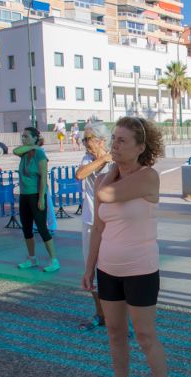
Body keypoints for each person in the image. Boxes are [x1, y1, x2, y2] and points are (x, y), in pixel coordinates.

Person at [81, 116, 177, 377]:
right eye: (114, 140)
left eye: (123, 141)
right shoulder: (106, 178)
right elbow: (98, 226)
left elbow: (106, 196)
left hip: (140, 269)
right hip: (109, 269)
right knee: (115, 332)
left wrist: (108, 166)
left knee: (146, 335)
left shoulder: (148, 177)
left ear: (141, 147)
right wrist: (89, 267)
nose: (115, 145)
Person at [74, 121, 112, 331]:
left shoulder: (115, 161)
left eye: (89, 138)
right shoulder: (87, 158)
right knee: (91, 272)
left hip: (111, 225)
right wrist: (101, 159)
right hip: (90, 222)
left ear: (102, 140)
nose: (85, 143)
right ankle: (100, 314)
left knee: (114, 272)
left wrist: (107, 158)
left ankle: (120, 318)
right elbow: (80, 174)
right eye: (84, 139)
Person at [14, 127, 59, 272]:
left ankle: (54, 260)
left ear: (34, 138)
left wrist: (41, 198)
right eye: (23, 136)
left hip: (36, 195)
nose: (23, 139)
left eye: (27, 136)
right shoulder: (25, 153)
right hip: (24, 195)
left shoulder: (40, 154)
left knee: (42, 228)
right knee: (26, 228)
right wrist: (31, 145)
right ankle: (32, 258)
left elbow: (43, 177)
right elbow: (15, 151)